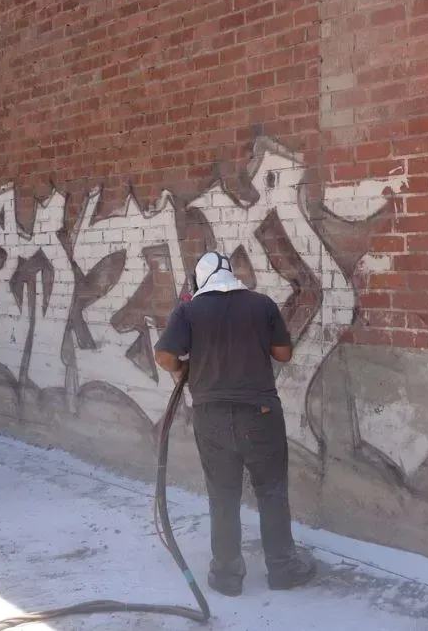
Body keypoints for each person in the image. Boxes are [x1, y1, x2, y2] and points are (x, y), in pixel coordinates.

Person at [154, 251, 317, 597]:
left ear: (201, 280)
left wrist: (185, 367)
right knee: (271, 492)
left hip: (211, 417)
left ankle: (227, 575)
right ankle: (283, 569)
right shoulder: (261, 303)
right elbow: (283, 354)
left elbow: (165, 356)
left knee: (222, 495)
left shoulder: (188, 310)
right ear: (230, 274)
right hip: (260, 415)